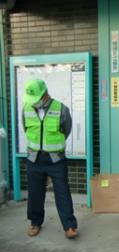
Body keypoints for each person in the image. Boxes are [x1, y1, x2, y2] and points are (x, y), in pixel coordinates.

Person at [22, 79, 78, 239]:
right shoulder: (26, 109)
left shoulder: (61, 109)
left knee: (62, 192)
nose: (34, 103)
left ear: (45, 95)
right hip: (34, 158)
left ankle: (70, 226)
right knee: (35, 193)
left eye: (37, 99)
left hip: (56, 160)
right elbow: (25, 127)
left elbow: (66, 129)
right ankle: (35, 222)